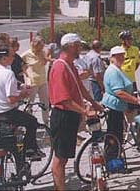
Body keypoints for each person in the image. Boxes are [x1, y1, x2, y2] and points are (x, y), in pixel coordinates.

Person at [49, 33, 103, 191]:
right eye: (79, 45)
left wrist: (94, 103)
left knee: (64, 155)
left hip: (71, 115)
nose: (81, 48)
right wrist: (85, 111)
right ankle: (60, 188)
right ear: (71, 46)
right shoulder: (59, 66)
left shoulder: (70, 64)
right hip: (63, 115)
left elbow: (80, 87)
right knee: (60, 157)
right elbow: (63, 99)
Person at [0, 44, 44, 160]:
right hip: (7, 113)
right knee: (32, 121)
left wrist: (20, 86)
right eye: (12, 56)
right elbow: (11, 99)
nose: (13, 59)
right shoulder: (8, 73)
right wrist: (23, 94)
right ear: (4, 58)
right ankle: (30, 149)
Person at [102, 46, 140, 158]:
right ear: (111, 58)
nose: (121, 58)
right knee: (114, 135)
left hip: (118, 106)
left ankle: (115, 158)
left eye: (122, 55)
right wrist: (136, 100)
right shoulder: (113, 71)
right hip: (113, 106)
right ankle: (112, 160)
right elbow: (119, 92)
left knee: (117, 134)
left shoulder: (118, 69)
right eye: (118, 56)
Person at [22, 36, 50, 125]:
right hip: (32, 82)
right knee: (30, 103)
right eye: (40, 46)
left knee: (45, 103)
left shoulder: (42, 53)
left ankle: (46, 121)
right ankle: (28, 121)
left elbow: (45, 62)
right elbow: (20, 65)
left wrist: (43, 56)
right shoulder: (26, 54)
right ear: (35, 45)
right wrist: (25, 75)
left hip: (42, 81)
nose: (42, 47)